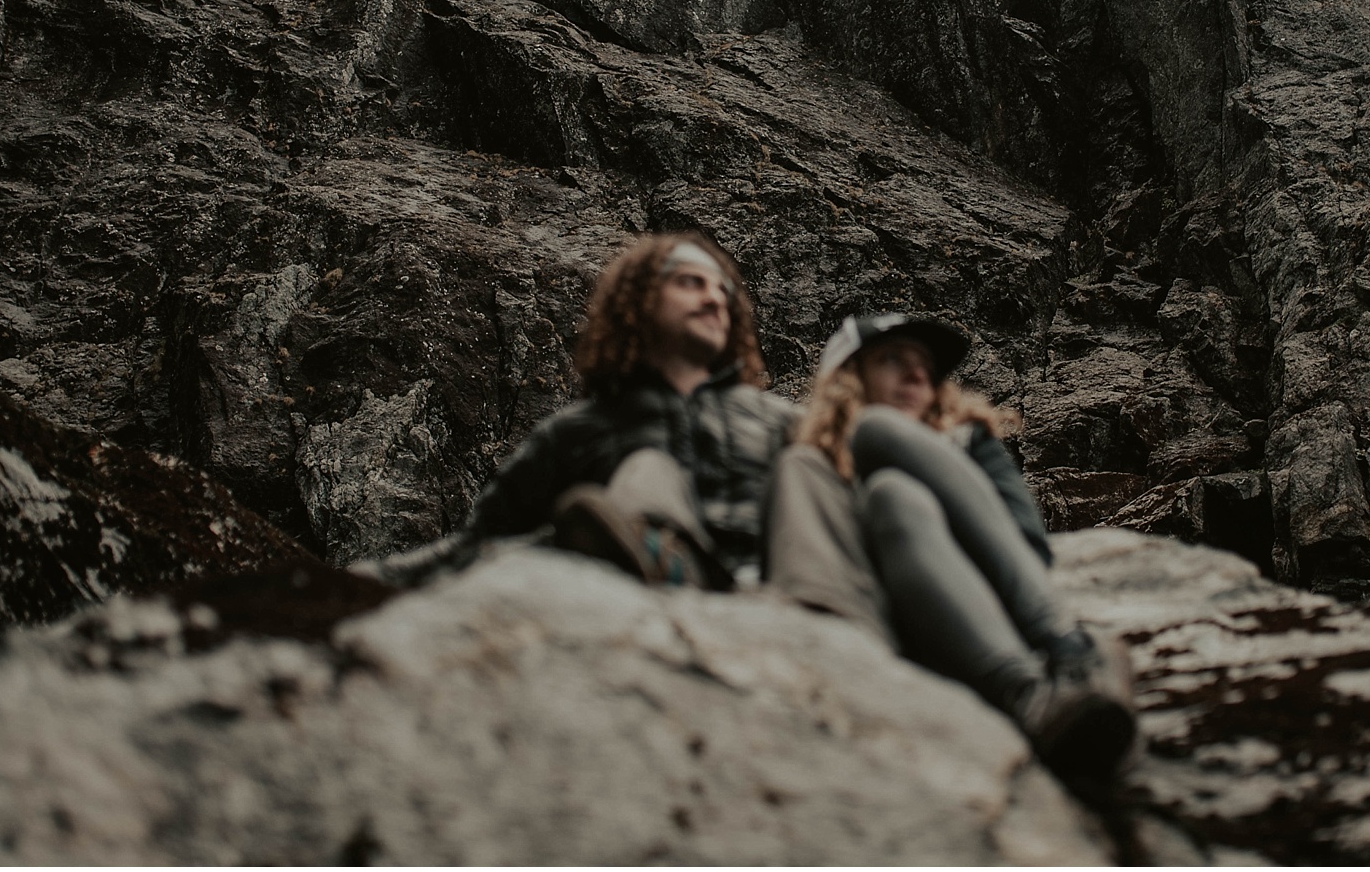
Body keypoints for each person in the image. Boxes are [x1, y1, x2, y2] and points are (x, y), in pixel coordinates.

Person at [765, 312, 1137, 777]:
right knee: (851, 470)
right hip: (876, 630)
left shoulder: (969, 442)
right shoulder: (810, 467)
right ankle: (1046, 671)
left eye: (926, 365)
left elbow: (1027, 546)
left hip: (987, 617)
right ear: (848, 379)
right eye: (893, 359)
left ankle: (1060, 660)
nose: (917, 373)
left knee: (893, 484)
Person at [465, 232, 793, 590]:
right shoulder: (577, 431)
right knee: (647, 470)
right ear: (642, 299)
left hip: (773, 596)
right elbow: (475, 545)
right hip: (639, 605)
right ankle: (662, 561)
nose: (714, 299)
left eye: (723, 292)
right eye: (691, 282)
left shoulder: (780, 421)